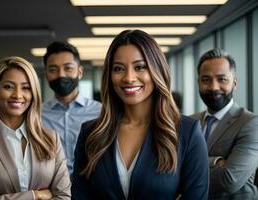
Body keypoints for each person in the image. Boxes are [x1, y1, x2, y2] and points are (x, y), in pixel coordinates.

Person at [71, 30, 209, 200]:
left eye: (140, 67)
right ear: (109, 76)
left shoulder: (187, 132)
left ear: (157, 71)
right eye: (119, 68)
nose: (129, 78)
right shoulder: (90, 133)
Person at [0, 56, 71, 199]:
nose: (17, 95)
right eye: (8, 87)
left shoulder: (51, 138)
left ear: (33, 93)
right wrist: (35, 195)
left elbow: (63, 196)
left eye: (26, 88)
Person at [191, 48, 258, 199]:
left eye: (222, 79)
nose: (214, 87)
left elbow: (230, 180)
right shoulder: (189, 122)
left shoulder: (251, 123)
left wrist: (188, 163)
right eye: (206, 80)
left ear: (234, 83)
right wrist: (216, 161)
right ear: (198, 83)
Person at [42, 41, 102, 174]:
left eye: (68, 68)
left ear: (80, 72)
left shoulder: (101, 112)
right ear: (46, 74)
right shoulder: (36, 115)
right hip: (51, 189)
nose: (61, 75)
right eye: (53, 70)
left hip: (92, 187)